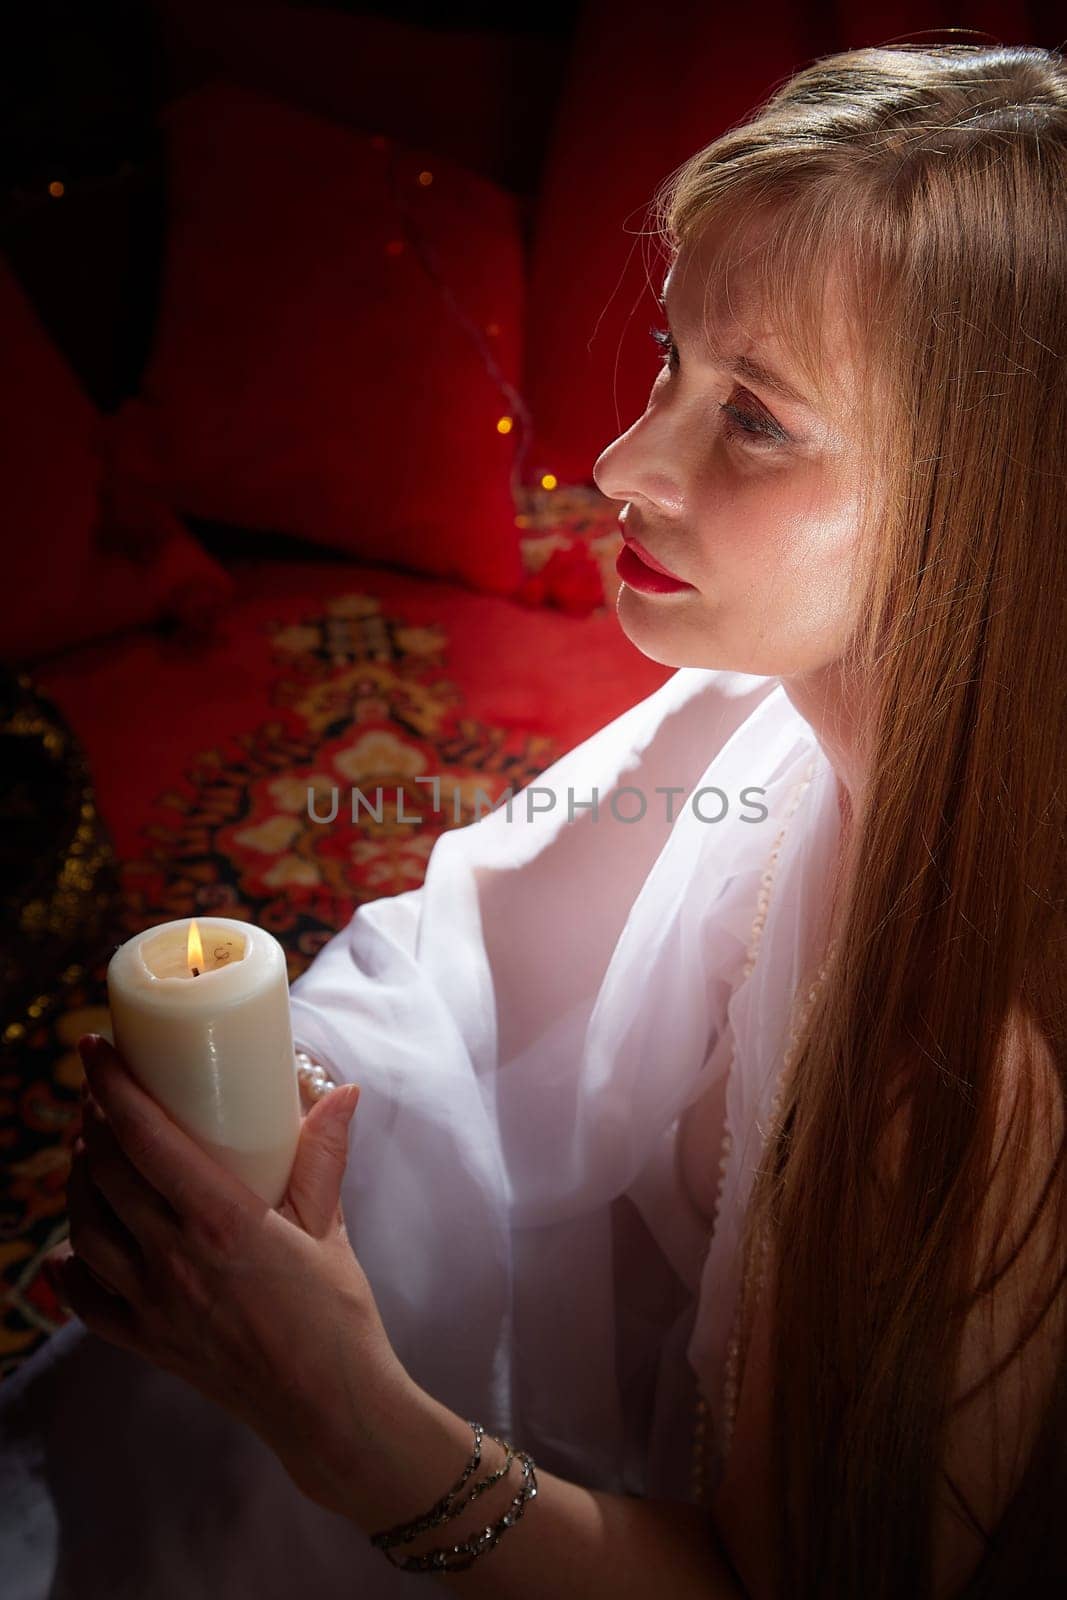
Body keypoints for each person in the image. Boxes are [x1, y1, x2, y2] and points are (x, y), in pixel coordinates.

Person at [3, 37, 1066, 1599]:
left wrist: (349, 1421)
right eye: (671, 362)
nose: (622, 462)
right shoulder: (759, 719)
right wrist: (289, 1127)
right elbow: (474, 988)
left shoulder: (973, 1088)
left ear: (991, 498)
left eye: (756, 419)